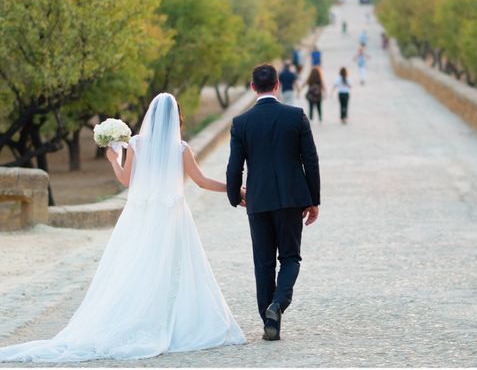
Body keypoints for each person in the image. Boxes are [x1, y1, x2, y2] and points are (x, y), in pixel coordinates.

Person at [0, 94, 245, 363]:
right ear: (177, 117)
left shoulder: (137, 144)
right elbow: (201, 181)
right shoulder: (181, 149)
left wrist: (113, 158)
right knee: (174, 268)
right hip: (172, 218)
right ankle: (171, 319)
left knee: (135, 267)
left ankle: (136, 315)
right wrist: (234, 190)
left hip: (139, 217)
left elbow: (127, 180)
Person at [226, 64, 320, 341]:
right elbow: (311, 162)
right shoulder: (296, 116)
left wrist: (235, 196)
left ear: (252, 87)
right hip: (292, 200)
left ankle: (269, 319)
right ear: (277, 85)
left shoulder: (241, 123)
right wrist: (313, 200)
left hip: (258, 200)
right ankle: (277, 305)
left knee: (263, 263)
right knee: (290, 257)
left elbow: (235, 167)